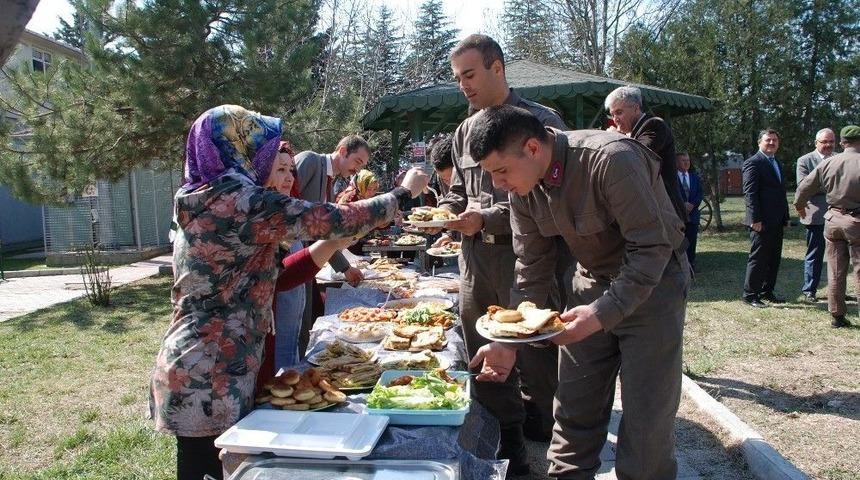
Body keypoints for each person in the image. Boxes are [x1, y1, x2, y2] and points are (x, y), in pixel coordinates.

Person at [149, 105, 428, 480]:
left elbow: (273, 276)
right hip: (209, 374)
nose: (267, 161)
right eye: (259, 149)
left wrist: (328, 246)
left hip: (208, 363)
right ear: (237, 148)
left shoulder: (205, 198)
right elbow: (332, 218)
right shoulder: (238, 201)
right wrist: (403, 193)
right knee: (208, 469)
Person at [467, 105, 690, 479]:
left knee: (647, 419)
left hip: (654, 288)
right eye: (490, 174)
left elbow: (652, 248)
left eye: (501, 171)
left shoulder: (611, 160)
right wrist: (508, 340)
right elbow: (531, 266)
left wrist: (602, 313)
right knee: (573, 407)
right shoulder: (523, 188)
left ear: (533, 148)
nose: (497, 184)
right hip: (589, 284)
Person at [432, 34, 567, 473]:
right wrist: (444, 214)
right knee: (486, 360)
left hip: (527, 260)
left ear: (497, 67)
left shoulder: (540, 122)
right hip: (475, 262)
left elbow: (551, 202)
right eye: (458, 78)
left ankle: (553, 438)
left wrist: (485, 218)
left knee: (538, 357)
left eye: (470, 74)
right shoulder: (463, 131)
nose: (463, 86)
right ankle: (510, 455)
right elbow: (458, 192)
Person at [293, 134, 372, 358]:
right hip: (292, 260)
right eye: (357, 162)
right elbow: (286, 203)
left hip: (306, 263)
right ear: (343, 151)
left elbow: (323, 234)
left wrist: (345, 268)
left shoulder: (329, 180)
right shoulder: (310, 160)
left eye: (362, 166)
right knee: (295, 327)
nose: (357, 170)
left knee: (305, 323)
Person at [794, 125, 860, 328]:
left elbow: (804, 187)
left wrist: (800, 207)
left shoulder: (829, 162)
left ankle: (837, 316)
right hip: (856, 222)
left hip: (832, 220)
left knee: (836, 270)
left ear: (842, 142)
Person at [604, 85, 687, 222]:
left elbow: (636, 155)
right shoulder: (633, 133)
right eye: (612, 114)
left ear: (636, 108)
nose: (615, 119)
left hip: (667, 213)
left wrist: (615, 137)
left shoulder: (654, 125)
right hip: (651, 212)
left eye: (619, 112)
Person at [742, 128, 790, 308]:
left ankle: (766, 291)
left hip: (777, 221)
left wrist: (785, 217)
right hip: (761, 221)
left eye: (774, 140)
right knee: (759, 258)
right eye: (768, 140)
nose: (771, 143)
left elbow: (781, 193)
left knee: (773, 259)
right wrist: (755, 219)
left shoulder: (776, 162)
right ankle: (750, 295)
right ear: (759, 142)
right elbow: (750, 193)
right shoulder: (753, 163)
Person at [795, 128, 835, 302]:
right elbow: (803, 186)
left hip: (838, 215)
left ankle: (837, 291)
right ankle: (809, 290)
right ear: (816, 143)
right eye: (824, 142)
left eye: (831, 142)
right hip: (816, 216)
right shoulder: (804, 160)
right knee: (815, 254)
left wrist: (817, 185)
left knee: (838, 256)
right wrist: (832, 186)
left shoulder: (839, 158)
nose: (828, 145)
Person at [677, 152, 703, 270]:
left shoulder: (694, 177)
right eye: (683, 160)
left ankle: (691, 265)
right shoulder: (672, 178)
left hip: (693, 216)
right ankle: (681, 265)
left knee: (692, 241)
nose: (686, 163)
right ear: (676, 162)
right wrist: (682, 204)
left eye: (688, 160)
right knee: (680, 242)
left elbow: (700, 193)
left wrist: (693, 204)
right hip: (678, 216)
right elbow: (669, 194)